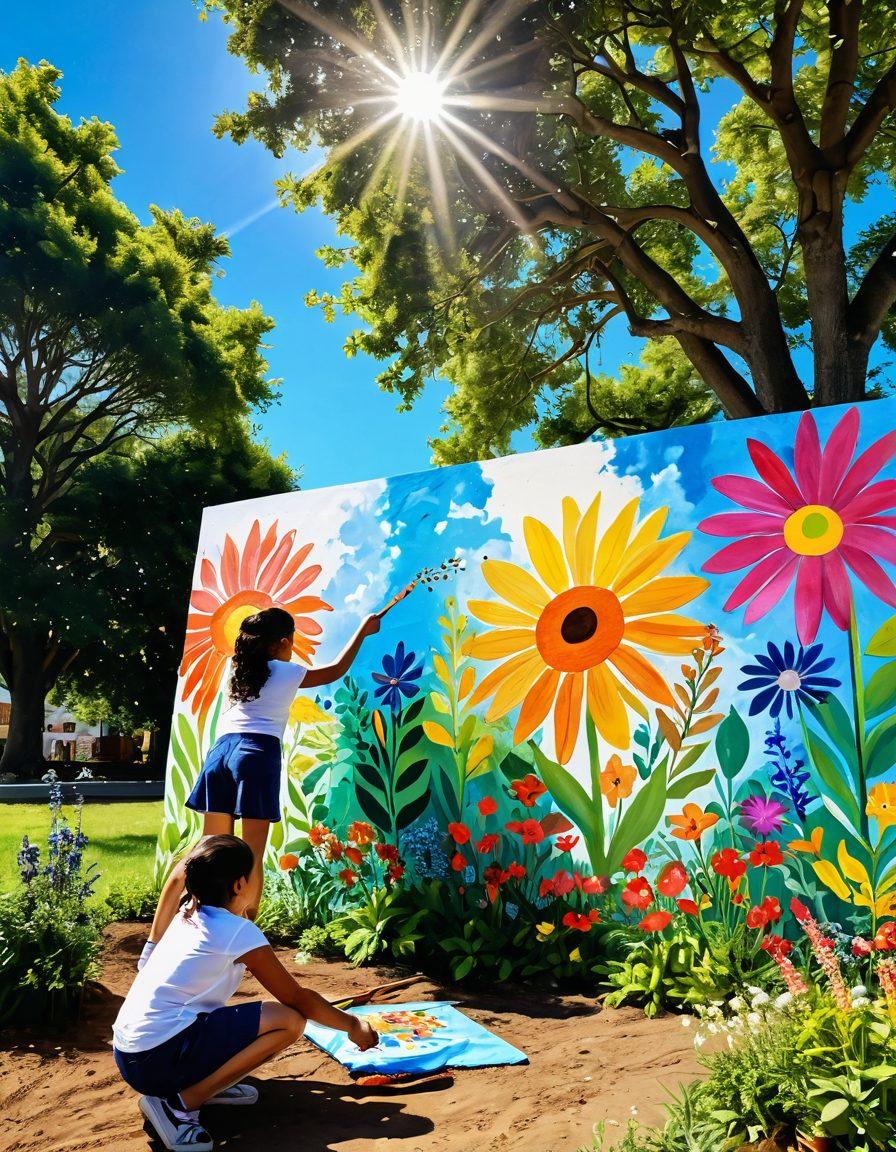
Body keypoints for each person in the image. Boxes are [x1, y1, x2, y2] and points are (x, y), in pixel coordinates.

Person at [141, 605, 381, 970]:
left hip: (221, 753)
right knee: (250, 856)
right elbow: (336, 670)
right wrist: (363, 630)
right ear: (283, 643)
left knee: (204, 852)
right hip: (256, 755)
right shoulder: (287, 671)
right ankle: (238, 945)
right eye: (292, 642)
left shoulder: (235, 668)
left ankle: (153, 945)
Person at [113, 835, 379, 1152]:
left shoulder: (187, 914)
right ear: (239, 885)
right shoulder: (237, 931)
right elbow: (296, 999)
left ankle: (198, 1085)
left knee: (242, 1018)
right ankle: (181, 1104)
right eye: (255, 874)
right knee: (289, 1021)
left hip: (130, 1055)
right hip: (156, 1059)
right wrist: (352, 1026)